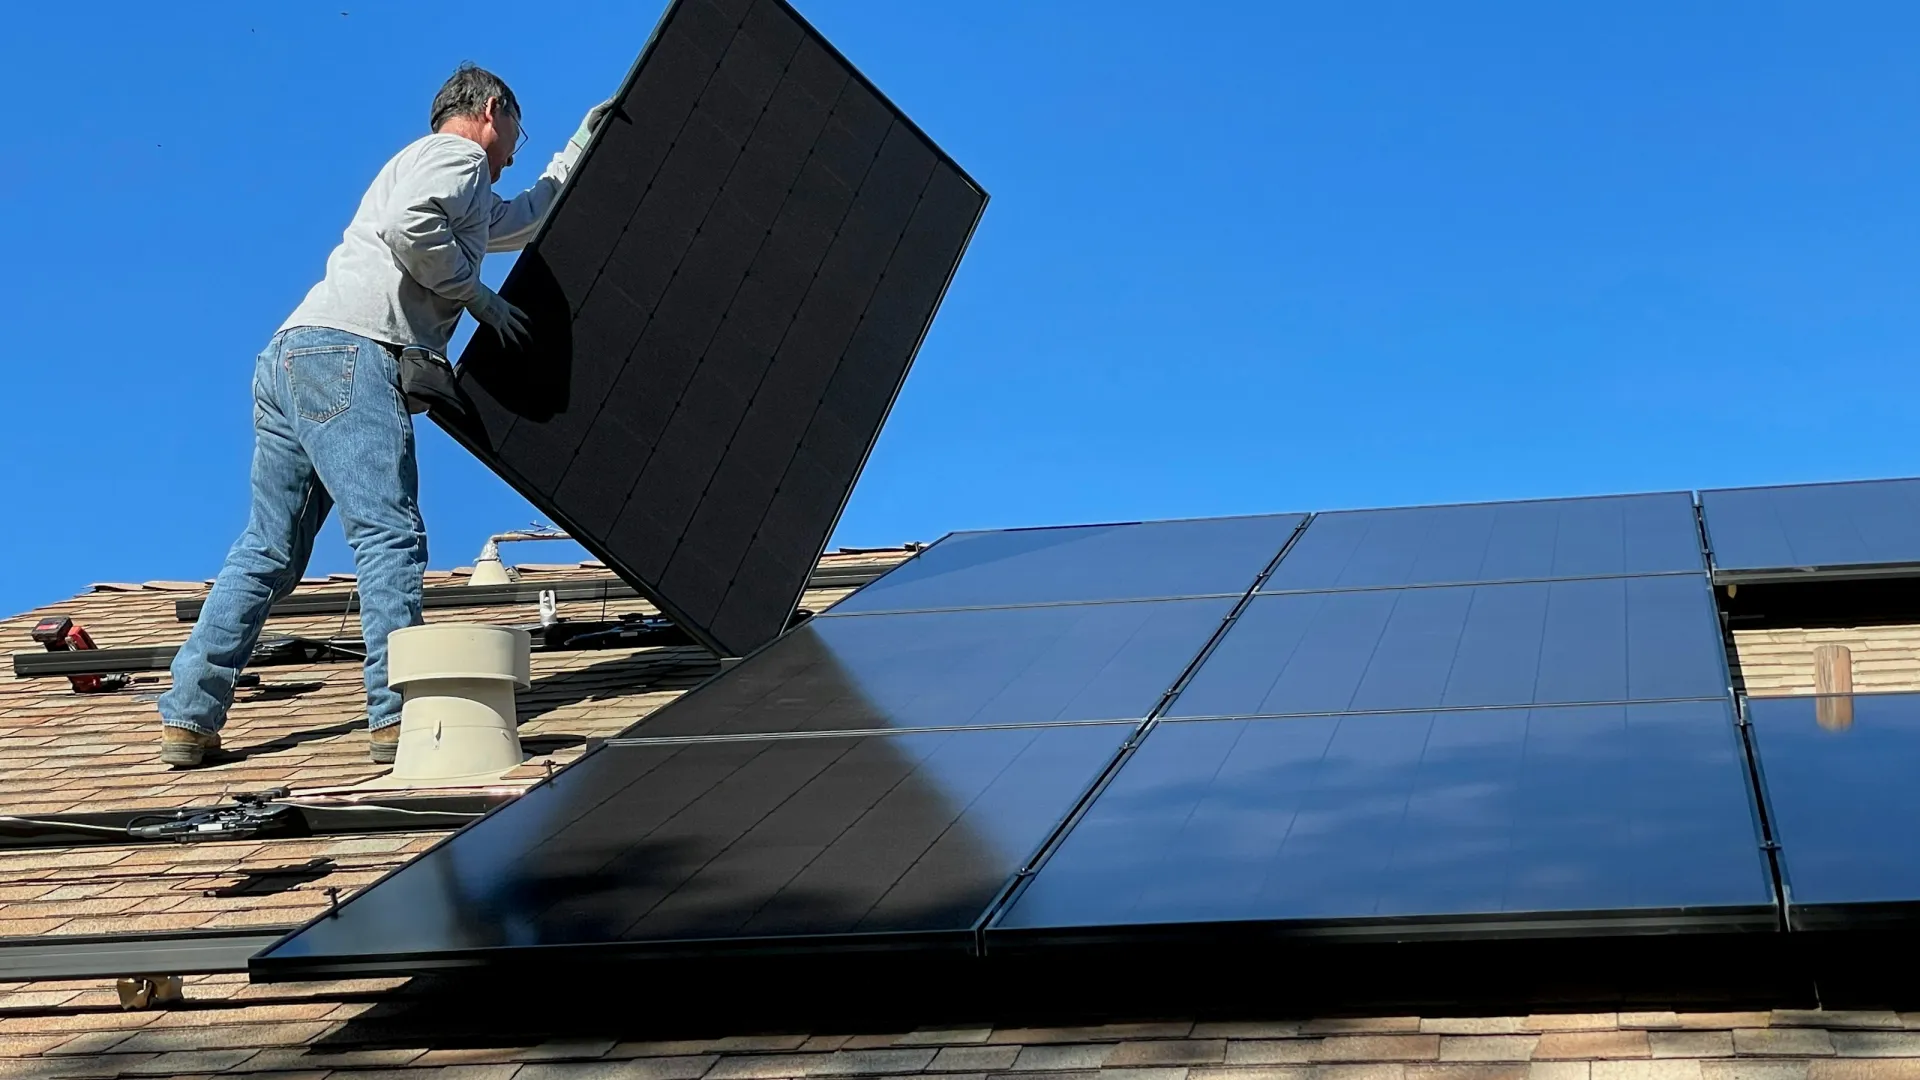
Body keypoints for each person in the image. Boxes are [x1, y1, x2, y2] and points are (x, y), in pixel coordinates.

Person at [157, 64, 613, 767]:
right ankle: (396, 718)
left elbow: (519, 221)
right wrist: (477, 299)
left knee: (268, 550)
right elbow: (411, 229)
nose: (519, 145)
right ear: (493, 110)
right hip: (351, 353)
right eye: (520, 128)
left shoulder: (435, 171)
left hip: (291, 356)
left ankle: (189, 714)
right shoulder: (456, 157)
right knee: (388, 534)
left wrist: (580, 146)